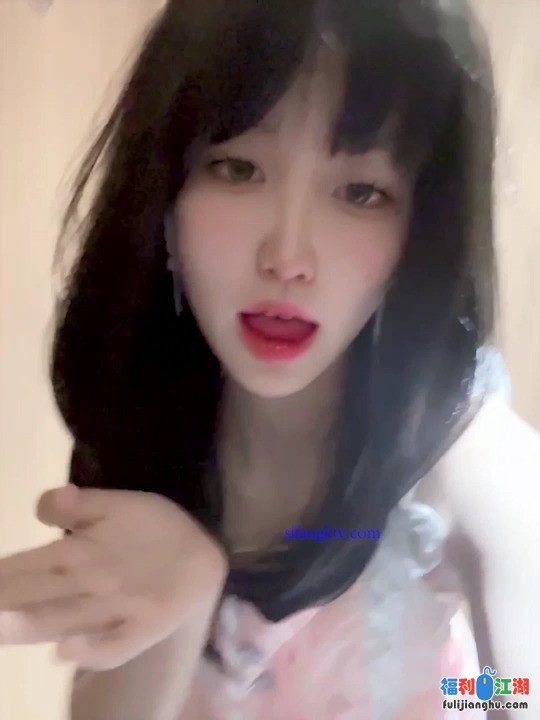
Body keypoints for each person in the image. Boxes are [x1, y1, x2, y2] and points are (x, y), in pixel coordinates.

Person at [0, 0, 539, 718]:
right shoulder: (146, 422)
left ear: (421, 233)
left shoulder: (472, 467)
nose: (287, 258)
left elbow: (521, 694)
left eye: (361, 192)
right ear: (163, 198)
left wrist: (447, 697)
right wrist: (184, 597)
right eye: (237, 168)